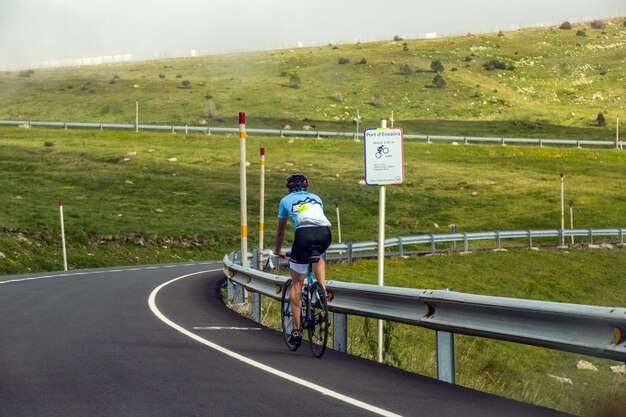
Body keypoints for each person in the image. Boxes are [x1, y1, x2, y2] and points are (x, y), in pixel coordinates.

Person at [273, 173, 332, 348]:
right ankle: (321, 290)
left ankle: (297, 331)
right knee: (317, 257)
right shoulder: (316, 198)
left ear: (288, 188)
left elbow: (280, 233)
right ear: (307, 187)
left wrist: (277, 250)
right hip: (325, 233)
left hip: (303, 235)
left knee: (297, 283)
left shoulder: (285, 201)